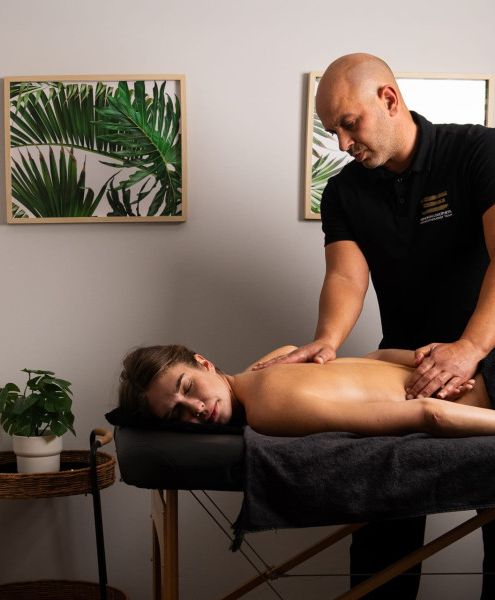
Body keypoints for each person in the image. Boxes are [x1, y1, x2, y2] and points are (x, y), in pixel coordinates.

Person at [253, 53, 495, 599]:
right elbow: (345, 276)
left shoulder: (477, 151)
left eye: (348, 123)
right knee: (382, 533)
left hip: (487, 356)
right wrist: (327, 341)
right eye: (332, 131)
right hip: (405, 368)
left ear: (388, 99)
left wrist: (469, 347)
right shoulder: (345, 191)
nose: (342, 143)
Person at [118, 344, 489, 437]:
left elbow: (430, 413)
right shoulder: (278, 359)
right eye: (176, 414)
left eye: (188, 387)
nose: (196, 408)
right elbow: (376, 359)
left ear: (204, 362)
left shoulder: (267, 410)